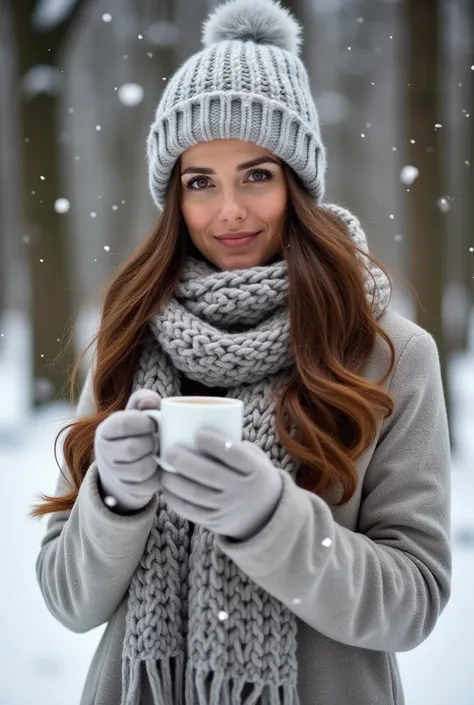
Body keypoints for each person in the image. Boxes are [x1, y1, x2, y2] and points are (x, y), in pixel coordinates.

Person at [32, 1, 451, 704]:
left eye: (256, 175)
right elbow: (69, 599)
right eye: (201, 182)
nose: (229, 211)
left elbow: (413, 600)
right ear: (175, 196)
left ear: (298, 182)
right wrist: (114, 498)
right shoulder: (129, 334)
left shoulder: (388, 352)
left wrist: (272, 519)